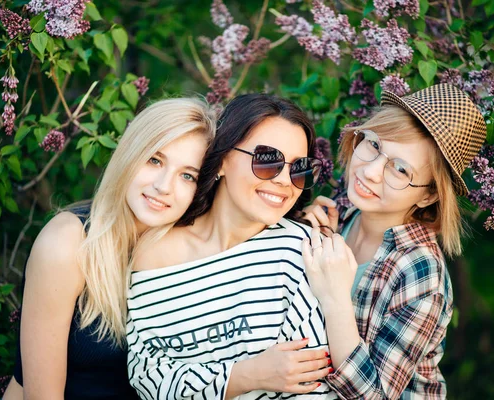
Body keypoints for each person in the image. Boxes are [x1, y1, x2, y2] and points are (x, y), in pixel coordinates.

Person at [127, 93, 338, 399]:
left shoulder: (300, 253)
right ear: (223, 160)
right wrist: (242, 376)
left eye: (299, 168)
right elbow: (147, 375)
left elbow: (311, 386)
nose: (283, 181)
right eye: (267, 160)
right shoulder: (153, 254)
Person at [2, 98, 216, 400]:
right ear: (130, 154)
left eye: (187, 175)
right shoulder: (68, 242)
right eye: (154, 160)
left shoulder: (190, 250)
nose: (164, 186)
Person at [301, 84, 487, 399]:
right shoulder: (345, 212)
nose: (371, 171)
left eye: (400, 169)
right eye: (373, 144)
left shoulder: (420, 272)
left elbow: (374, 395)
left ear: (428, 194)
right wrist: (316, 233)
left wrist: (335, 301)